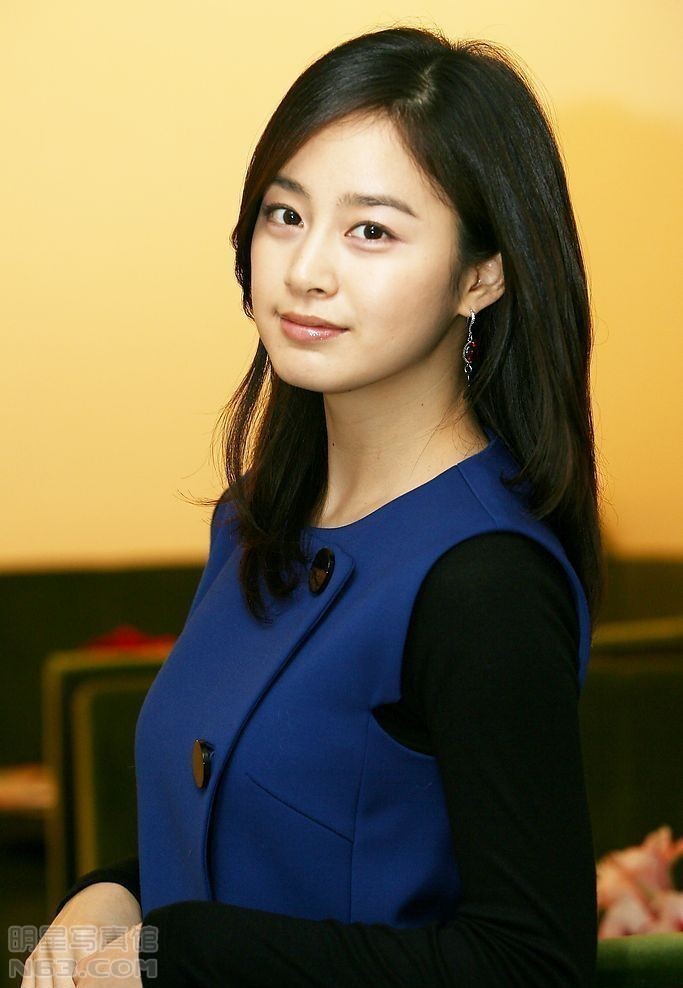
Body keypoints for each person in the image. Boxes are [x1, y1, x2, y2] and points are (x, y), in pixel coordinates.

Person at [22, 24, 603, 988]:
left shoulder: (485, 579)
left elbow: (531, 965)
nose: (304, 270)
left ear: (480, 274)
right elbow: (257, 848)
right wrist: (114, 894)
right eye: (285, 215)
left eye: (370, 230)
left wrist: (181, 958)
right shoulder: (255, 522)